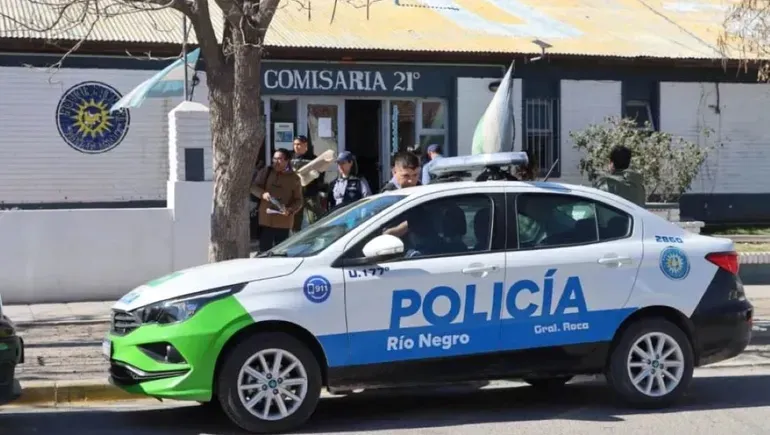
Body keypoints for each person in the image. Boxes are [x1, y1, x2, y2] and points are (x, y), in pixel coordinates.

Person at [251, 148, 303, 252]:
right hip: (266, 221)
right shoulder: (266, 171)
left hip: (283, 222)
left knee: (281, 253)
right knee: (264, 252)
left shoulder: (294, 178)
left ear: (287, 161)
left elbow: (299, 200)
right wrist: (263, 194)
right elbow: (253, 187)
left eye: (279, 159)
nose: (276, 162)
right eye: (274, 159)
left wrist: (290, 210)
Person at [289, 135, 325, 232]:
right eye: (295, 144)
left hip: (310, 194)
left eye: (299, 144)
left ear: (305, 145)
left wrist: (316, 175)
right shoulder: (289, 159)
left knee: (315, 220)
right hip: (295, 195)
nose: (296, 146)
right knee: (295, 223)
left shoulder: (313, 158)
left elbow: (321, 173)